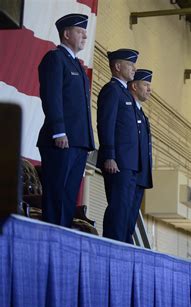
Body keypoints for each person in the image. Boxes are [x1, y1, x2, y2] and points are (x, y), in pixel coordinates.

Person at [36, 13, 95, 227]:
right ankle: (53, 239)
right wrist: (59, 131)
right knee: (57, 194)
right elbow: (52, 96)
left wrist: (88, 140)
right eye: (80, 32)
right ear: (67, 34)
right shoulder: (55, 58)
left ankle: (63, 238)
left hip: (78, 141)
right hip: (61, 139)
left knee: (69, 197)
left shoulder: (77, 65)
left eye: (85, 34)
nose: (84, 37)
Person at [97, 48, 140, 243]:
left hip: (129, 164)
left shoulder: (125, 93)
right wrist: (109, 155)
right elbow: (106, 124)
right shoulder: (112, 90)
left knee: (126, 210)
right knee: (118, 207)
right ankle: (113, 246)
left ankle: (122, 246)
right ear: (117, 66)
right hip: (118, 161)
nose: (133, 69)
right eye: (130, 65)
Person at [126, 69, 154, 243]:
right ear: (134, 86)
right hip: (130, 168)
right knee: (122, 212)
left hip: (140, 171)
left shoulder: (141, 113)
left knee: (130, 216)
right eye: (146, 84)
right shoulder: (128, 107)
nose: (149, 89)